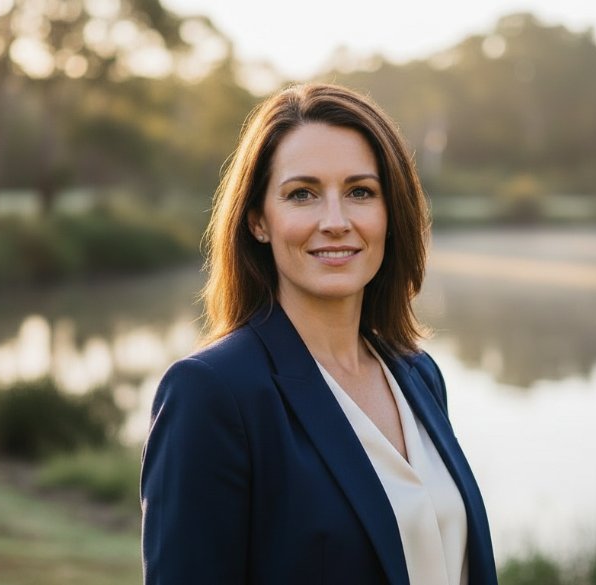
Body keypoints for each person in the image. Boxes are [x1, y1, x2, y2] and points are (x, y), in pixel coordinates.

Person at [140, 83, 497, 585]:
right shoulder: (213, 393)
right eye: (302, 194)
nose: (335, 221)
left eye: (360, 192)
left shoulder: (419, 375)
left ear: (390, 214)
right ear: (259, 220)